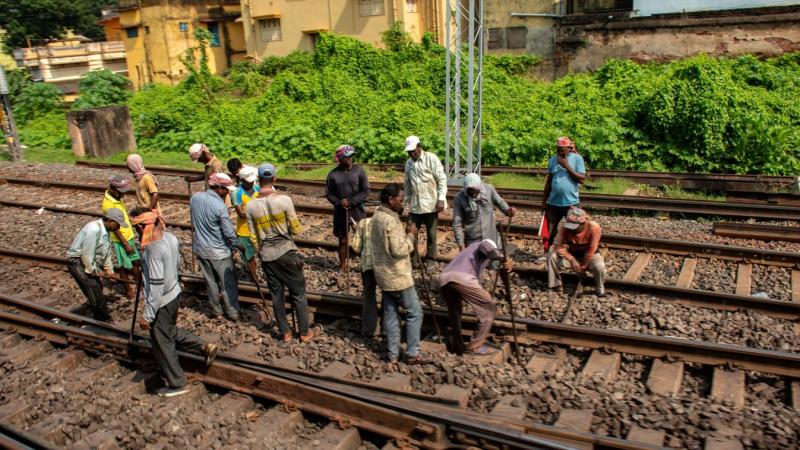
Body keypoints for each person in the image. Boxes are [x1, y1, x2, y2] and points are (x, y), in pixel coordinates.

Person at [129, 207, 219, 398]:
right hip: (174, 293)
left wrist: (148, 314)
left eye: (136, 227)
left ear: (142, 227)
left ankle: (177, 383)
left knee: (162, 341)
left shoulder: (153, 249)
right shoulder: (170, 237)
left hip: (162, 299)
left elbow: (155, 285)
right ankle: (203, 346)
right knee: (168, 330)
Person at [246, 164, 320, 343]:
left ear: (258, 180)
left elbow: (253, 237)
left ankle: (285, 333)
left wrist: (262, 252)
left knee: (276, 295)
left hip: (267, 255)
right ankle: (303, 332)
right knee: (298, 293)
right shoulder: (284, 200)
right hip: (286, 251)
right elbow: (295, 229)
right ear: (274, 179)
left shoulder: (250, 206)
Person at [370, 183, 430, 364]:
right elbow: (398, 249)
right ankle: (412, 353)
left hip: (383, 274)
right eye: (400, 199)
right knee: (415, 312)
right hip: (398, 276)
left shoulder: (377, 217)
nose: (402, 202)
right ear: (390, 199)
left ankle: (392, 353)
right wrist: (411, 235)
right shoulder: (390, 220)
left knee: (390, 314)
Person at [439, 240, 512, 355]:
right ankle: (475, 346)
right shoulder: (483, 244)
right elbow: (488, 249)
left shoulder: (469, 250)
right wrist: (504, 257)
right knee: (489, 307)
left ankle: (457, 346)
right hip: (462, 277)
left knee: (455, 314)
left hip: (444, 278)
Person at [189, 172, 243, 320]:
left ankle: (217, 311)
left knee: (211, 282)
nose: (227, 193)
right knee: (227, 284)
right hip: (219, 251)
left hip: (201, 248)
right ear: (218, 188)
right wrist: (238, 244)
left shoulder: (195, 198)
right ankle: (233, 313)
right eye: (225, 190)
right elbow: (228, 232)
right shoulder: (220, 206)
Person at [66, 209, 125, 321]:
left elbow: (106, 254)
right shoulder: (94, 229)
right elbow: (87, 254)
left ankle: (93, 309)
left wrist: (110, 271)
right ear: (111, 221)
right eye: (118, 224)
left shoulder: (107, 231)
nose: (119, 228)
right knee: (93, 286)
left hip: (87, 261)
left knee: (98, 287)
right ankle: (102, 318)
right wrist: (92, 271)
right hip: (76, 261)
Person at [325, 145, 370, 272]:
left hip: (357, 210)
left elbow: (365, 191)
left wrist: (352, 201)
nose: (350, 159)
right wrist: (339, 202)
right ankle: (342, 265)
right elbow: (329, 194)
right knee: (343, 240)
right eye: (347, 157)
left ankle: (366, 266)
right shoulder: (332, 175)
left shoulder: (359, 171)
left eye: (351, 156)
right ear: (340, 158)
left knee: (362, 238)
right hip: (340, 212)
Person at [403, 135, 447, 259]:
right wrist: (404, 204)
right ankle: (414, 259)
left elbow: (442, 179)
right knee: (411, 232)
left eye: (413, 151)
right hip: (415, 205)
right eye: (409, 152)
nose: (411, 154)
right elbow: (407, 185)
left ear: (419, 147)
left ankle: (431, 259)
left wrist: (441, 199)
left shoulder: (431, 158)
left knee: (432, 235)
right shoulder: (409, 163)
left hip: (431, 205)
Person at [547, 206, 606, 297]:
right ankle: (555, 285)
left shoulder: (594, 227)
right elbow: (556, 246)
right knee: (552, 256)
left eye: (574, 227)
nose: (571, 229)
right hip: (573, 254)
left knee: (599, 265)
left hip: (591, 255)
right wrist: (572, 259)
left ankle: (600, 288)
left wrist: (583, 267)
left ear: (583, 223)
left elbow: (591, 249)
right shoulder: (565, 226)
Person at [452, 173, 517, 250]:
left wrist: (508, 211)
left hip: (491, 237)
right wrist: (461, 244)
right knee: (474, 261)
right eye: (470, 190)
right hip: (473, 239)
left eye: (476, 190)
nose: (473, 193)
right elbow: (457, 223)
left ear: (480, 187)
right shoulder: (459, 199)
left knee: (494, 260)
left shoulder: (489, 189)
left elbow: (500, 202)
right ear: (465, 188)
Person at [542, 137, 586, 250]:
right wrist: (544, 201)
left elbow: (581, 179)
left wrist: (566, 166)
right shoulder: (553, 160)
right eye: (558, 149)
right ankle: (549, 253)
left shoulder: (577, 158)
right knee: (550, 230)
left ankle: (572, 253)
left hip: (571, 202)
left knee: (573, 229)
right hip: (553, 202)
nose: (560, 152)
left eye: (562, 150)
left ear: (569, 149)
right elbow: (549, 182)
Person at [102, 175, 140, 300]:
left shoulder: (117, 197)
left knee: (135, 261)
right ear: (113, 189)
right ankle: (128, 289)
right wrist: (125, 243)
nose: (123, 195)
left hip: (128, 235)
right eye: (121, 192)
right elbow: (114, 227)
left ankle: (138, 281)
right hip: (120, 239)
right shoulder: (109, 204)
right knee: (124, 265)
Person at [350, 215, 378, 339]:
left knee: (369, 296)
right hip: (386, 267)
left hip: (368, 265)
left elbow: (356, 247)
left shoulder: (364, 223)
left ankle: (369, 330)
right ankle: (388, 331)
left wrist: (358, 232)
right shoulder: (392, 222)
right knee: (389, 297)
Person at [232, 165, 260, 278]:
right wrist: (258, 211)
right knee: (249, 257)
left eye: (253, 180)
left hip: (259, 228)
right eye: (249, 181)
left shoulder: (258, 189)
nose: (252, 183)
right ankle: (254, 277)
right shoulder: (237, 193)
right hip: (244, 231)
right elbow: (241, 214)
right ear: (242, 180)